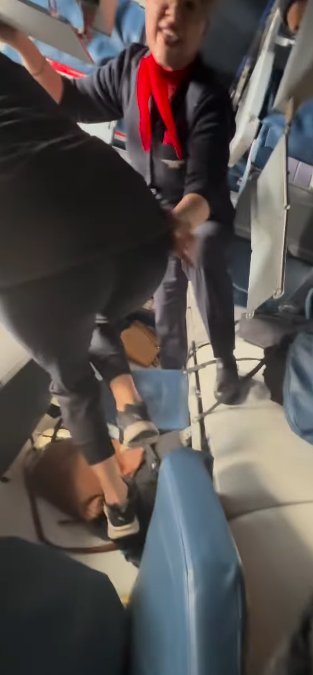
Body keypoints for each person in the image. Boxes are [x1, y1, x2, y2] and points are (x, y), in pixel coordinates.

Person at [0, 47, 192, 554]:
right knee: (97, 309)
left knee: (71, 379)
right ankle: (130, 405)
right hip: (140, 236)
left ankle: (117, 505)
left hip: (32, 253)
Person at [2, 0, 241, 403]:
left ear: (204, 28)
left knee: (205, 255)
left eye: (190, 9)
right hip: (151, 205)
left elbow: (205, 185)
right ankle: (173, 372)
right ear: (147, 7)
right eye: (165, 4)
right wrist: (22, 44)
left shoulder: (209, 99)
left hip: (198, 207)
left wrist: (175, 225)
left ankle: (225, 358)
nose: (173, 16)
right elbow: (73, 99)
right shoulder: (132, 67)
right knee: (165, 296)